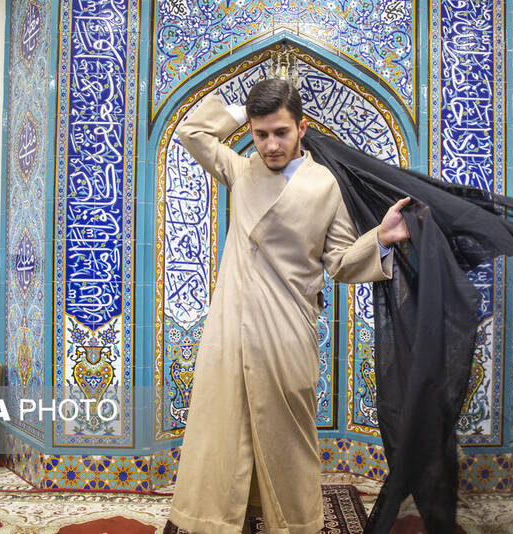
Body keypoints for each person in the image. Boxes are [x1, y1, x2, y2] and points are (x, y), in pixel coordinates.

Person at [166, 78, 411, 534]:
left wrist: (380, 238)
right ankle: (221, 521)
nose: (271, 145)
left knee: (289, 440)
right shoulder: (242, 171)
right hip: (230, 330)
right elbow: (192, 132)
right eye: (261, 134)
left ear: (302, 127)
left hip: (287, 331)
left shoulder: (326, 186)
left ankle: (296, 525)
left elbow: (340, 262)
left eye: (281, 132)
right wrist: (242, 109)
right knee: (223, 434)